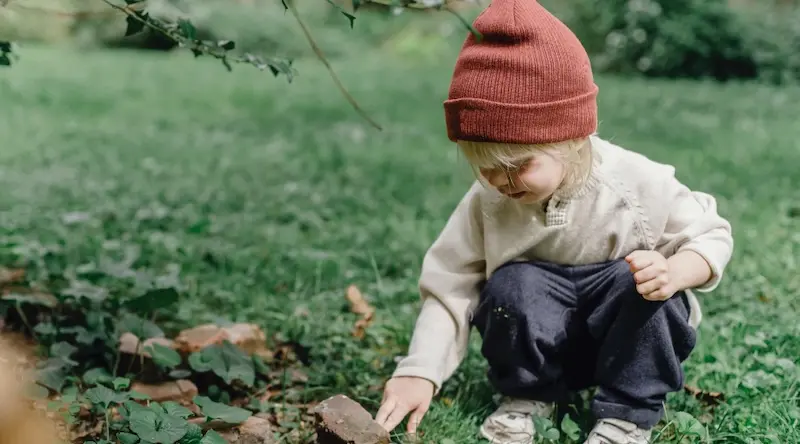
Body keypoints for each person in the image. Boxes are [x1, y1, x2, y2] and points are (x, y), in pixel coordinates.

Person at [373, 1, 735, 443]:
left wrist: (677, 271)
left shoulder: (634, 182)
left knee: (642, 285)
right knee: (512, 286)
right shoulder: (488, 201)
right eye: (486, 168)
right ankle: (529, 395)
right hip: (541, 338)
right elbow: (450, 285)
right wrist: (420, 371)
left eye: (519, 165)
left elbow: (711, 233)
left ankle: (627, 413)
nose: (502, 183)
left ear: (570, 137)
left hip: (621, 337)